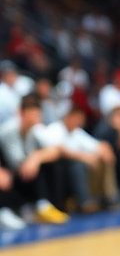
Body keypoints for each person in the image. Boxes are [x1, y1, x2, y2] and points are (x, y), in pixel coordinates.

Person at [0, 93, 69, 223]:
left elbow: (56, 151)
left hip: (22, 175)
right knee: (33, 167)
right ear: (21, 113)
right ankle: (30, 208)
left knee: (54, 163)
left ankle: (49, 205)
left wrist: (37, 157)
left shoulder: (35, 129)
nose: (35, 118)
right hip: (9, 175)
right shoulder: (9, 130)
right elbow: (20, 166)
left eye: (37, 115)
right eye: (32, 115)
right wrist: (35, 159)